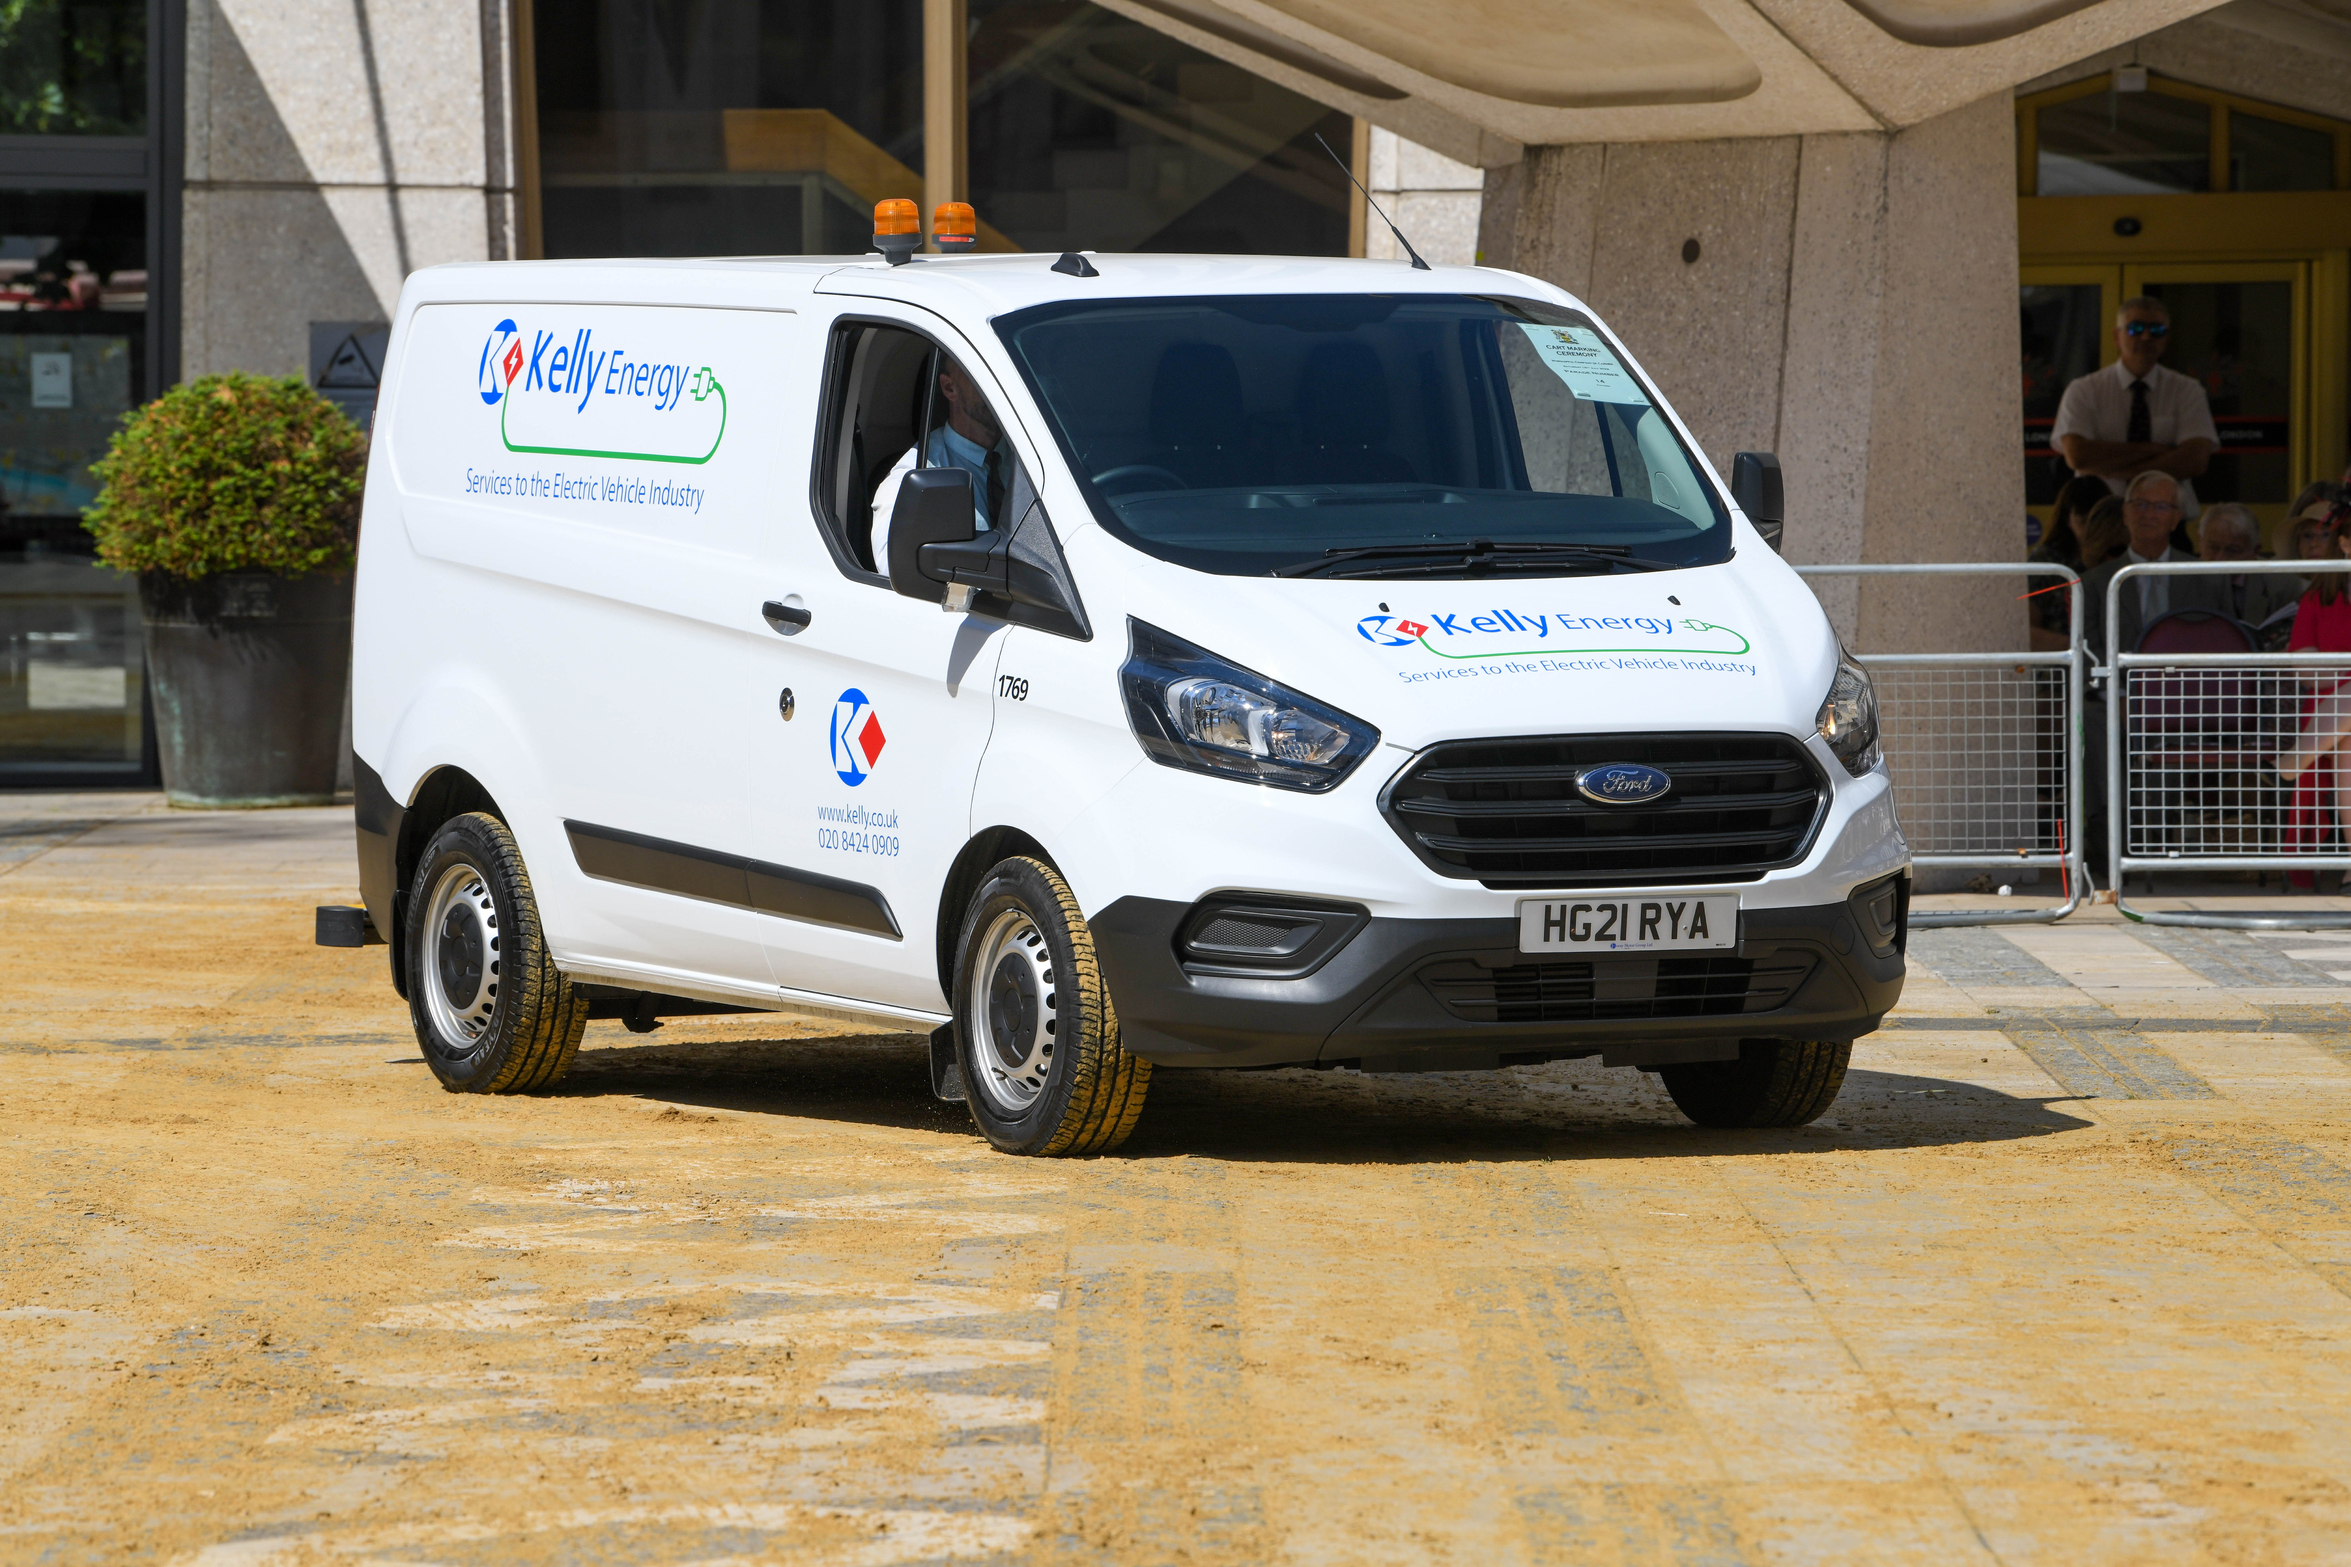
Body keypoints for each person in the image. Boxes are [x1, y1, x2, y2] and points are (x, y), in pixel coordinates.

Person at [2051, 296, 2218, 523]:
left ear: (2166, 338)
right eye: (2136, 328)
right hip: (2101, 521)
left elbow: (2195, 460)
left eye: (2156, 330)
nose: (2146, 337)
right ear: (2116, 337)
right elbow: (2078, 456)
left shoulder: (2187, 390)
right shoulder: (2084, 390)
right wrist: (2158, 451)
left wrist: (2113, 468)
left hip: (2168, 522)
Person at [871, 354, 1013, 574]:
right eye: (984, 374)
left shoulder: (1037, 461)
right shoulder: (917, 475)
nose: (999, 388)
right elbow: (896, 568)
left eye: (1005, 375)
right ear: (949, 387)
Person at [2276, 508, 2351, 889]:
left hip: (2330, 713)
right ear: (2345, 544)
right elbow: (2307, 672)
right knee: (2348, 738)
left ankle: (2294, 760)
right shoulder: (2319, 597)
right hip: (2330, 709)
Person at [2080, 471, 2228, 657]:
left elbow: (2225, 647)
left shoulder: (2208, 578)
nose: (2149, 514)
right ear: (2125, 513)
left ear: (2176, 518)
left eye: (2161, 507)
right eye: (2141, 504)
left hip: (2188, 683)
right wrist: (2108, 687)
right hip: (2119, 684)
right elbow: (2087, 654)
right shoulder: (2094, 583)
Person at [2027, 473, 2113, 650]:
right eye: (2083, 522)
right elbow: (2025, 631)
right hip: (2061, 667)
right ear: (2067, 520)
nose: (2091, 532)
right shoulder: (2047, 561)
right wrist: (2077, 648)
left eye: (2097, 522)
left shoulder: (2122, 555)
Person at [2197, 501, 2301, 632]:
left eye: (2232, 550)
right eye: (2213, 548)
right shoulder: (2182, 579)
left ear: (2255, 551)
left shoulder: (2282, 585)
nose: (2220, 558)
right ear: (2200, 541)